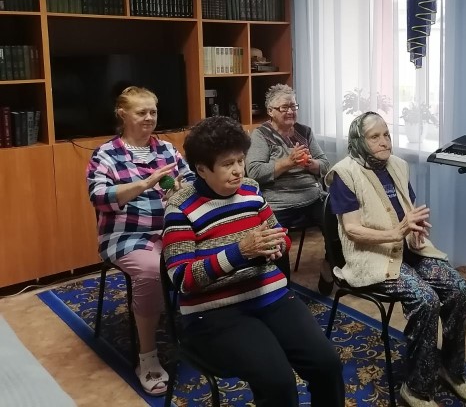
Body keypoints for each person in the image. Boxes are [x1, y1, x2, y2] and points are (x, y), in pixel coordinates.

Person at [162, 116, 344, 407]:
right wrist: (240, 252)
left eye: (240, 160)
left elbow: (280, 236)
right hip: (215, 313)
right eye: (227, 164)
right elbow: (182, 279)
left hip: (270, 297)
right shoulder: (180, 207)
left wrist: (276, 246)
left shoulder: (250, 190)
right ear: (201, 169)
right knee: (278, 381)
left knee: (327, 364)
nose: (238, 170)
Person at [325, 112, 466, 407]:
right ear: (359, 141)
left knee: (460, 289)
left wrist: (415, 230)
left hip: (407, 249)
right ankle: (416, 388)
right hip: (371, 256)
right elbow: (352, 230)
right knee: (426, 299)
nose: (385, 141)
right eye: (375, 137)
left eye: (386, 134)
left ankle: (450, 368)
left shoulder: (398, 165)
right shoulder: (344, 174)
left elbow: (408, 210)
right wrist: (397, 232)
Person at [86, 85, 194, 396]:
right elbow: (99, 197)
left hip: (170, 230)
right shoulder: (106, 154)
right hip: (125, 236)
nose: (149, 118)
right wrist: (145, 184)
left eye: (153, 112)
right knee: (150, 270)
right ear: (122, 114)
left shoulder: (168, 150)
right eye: (141, 112)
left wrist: (181, 191)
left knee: (212, 251)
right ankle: (147, 357)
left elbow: (190, 184)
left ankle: (203, 331)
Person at [245, 83, 334, 292]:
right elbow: (254, 172)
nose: (290, 111)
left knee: (338, 220)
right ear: (270, 111)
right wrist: (288, 162)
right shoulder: (261, 135)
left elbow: (325, 164)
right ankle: (282, 288)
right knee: (275, 240)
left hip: (312, 197)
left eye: (293, 106)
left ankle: (329, 267)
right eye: (284, 107)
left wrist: (311, 164)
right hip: (278, 203)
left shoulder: (304, 132)